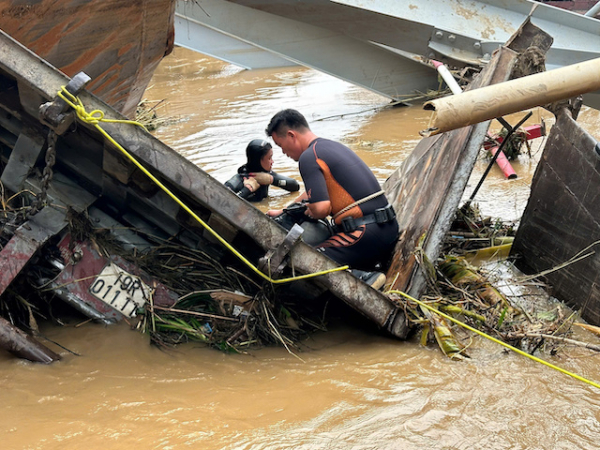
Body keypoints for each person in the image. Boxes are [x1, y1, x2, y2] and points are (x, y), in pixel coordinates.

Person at [265, 109, 399, 285]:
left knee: (304, 260)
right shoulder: (328, 147)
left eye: (280, 145)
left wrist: (311, 209)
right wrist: (284, 210)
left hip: (365, 234)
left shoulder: (308, 157)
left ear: (291, 135)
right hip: (387, 227)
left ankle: (364, 278)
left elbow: (321, 209)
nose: (283, 152)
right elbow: (313, 193)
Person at [224, 138, 300, 202]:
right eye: (269, 158)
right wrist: (247, 189)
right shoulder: (238, 180)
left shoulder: (266, 175)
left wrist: (272, 180)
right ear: (258, 160)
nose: (272, 162)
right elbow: (223, 203)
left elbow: (295, 187)